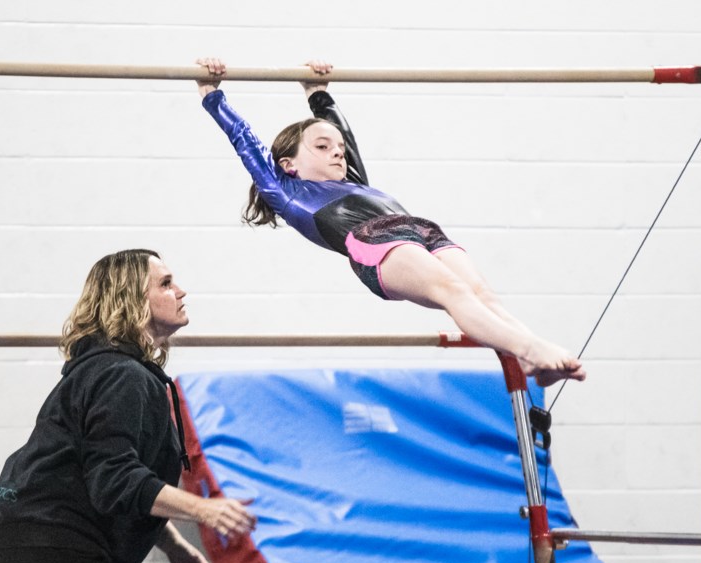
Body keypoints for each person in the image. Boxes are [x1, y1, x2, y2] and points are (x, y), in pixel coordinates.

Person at [195, 58, 587, 388]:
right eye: (321, 147)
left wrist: (317, 91)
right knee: (453, 291)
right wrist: (212, 94)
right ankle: (531, 349)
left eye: (338, 149)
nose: (337, 153)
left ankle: (529, 357)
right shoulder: (287, 192)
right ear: (288, 165)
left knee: (483, 294)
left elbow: (341, 130)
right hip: (373, 243)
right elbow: (243, 140)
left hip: (420, 230)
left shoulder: (353, 181)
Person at [0, 249, 257, 563]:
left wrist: (174, 545)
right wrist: (205, 510)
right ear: (131, 301)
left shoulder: (110, 369)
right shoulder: (121, 375)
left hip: (19, 539)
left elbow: (101, 477)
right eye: (165, 284)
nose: (180, 291)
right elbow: (114, 478)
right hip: (52, 544)